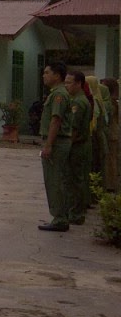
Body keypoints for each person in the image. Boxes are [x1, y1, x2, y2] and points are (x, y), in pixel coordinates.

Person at [38, 62, 73, 232]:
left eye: (47, 72)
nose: (43, 76)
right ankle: (60, 216)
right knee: (56, 180)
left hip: (57, 142)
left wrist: (49, 145)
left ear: (57, 75)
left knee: (55, 181)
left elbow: (56, 120)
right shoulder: (57, 93)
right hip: (58, 142)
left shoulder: (59, 94)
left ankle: (60, 219)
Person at [65, 71, 92, 226]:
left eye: (69, 83)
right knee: (76, 179)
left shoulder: (78, 102)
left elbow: (73, 129)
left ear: (78, 84)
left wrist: (68, 146)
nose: (66, 85)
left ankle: (75, 213)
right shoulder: (78, 100)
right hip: (80, 145)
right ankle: (76, 211)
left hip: (77, 146)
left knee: (74, 180)